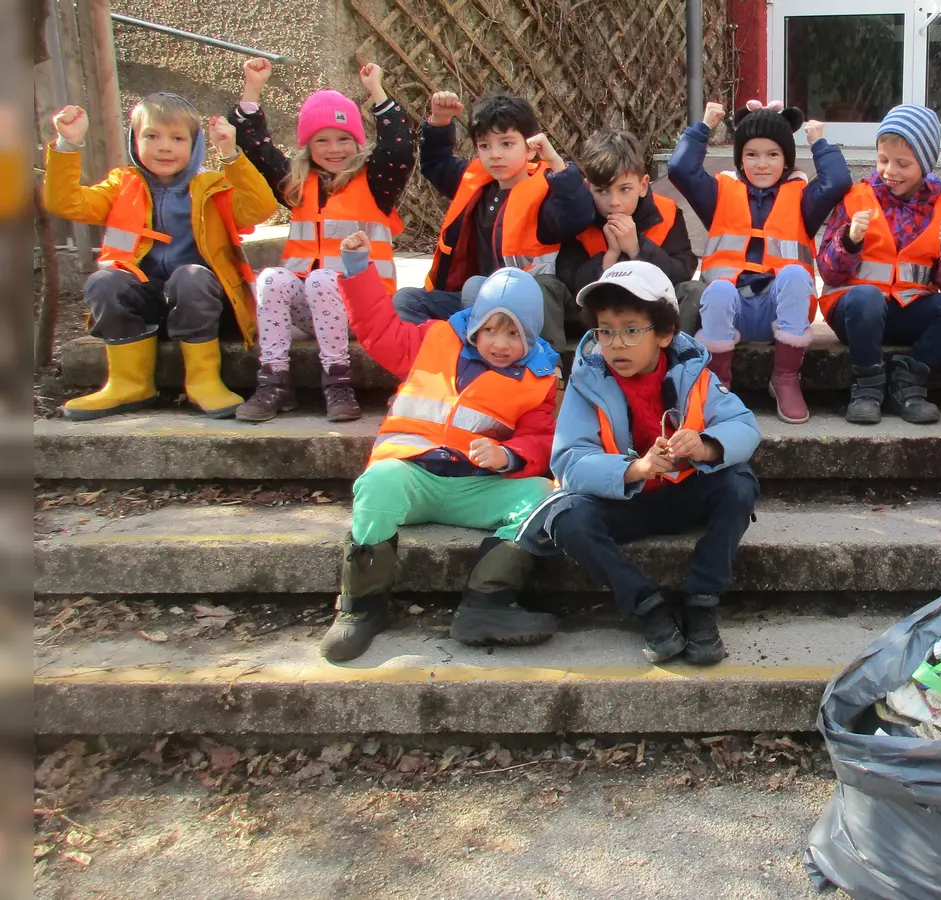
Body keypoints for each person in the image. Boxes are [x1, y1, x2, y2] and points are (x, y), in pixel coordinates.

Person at [320, 230, 564, 662]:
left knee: (544, 496)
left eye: (515, 334)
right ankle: (361, 608)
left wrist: (509, 455)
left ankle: (485, 605)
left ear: (531, 336)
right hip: (412, 477)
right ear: (475, 324)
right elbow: (377, 329)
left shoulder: (540, 377)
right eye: (492, 330)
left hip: (475, 487)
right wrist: (359, 271)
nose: (502, 344)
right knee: (377, 483)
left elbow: (542, 438)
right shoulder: (431, 339)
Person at [515, 261, 761, 666]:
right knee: (566, 517)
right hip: (623, 502)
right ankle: (649, 608)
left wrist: (705, 446)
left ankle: (701, 602)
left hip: (685, 495)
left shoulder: (692, 370)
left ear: (664, 334)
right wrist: (635, 470)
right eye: (605, 330)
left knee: (738, 483)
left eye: (631, 330)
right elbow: (568, 461)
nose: (616, 344)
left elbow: (745, 426)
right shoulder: (586, 379)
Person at [45, 95, 276, 420]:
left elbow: (262, 206)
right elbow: (67, 203)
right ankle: (129, 383)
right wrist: (68, 144)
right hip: (147, 303)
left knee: (190, 276)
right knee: (105, 281)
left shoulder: (211, 185)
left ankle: (203, 380)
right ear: (134, 140)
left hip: (204, 305)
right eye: (151, 136)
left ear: (194, 145)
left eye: (177, 138)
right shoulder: (122, 184)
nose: (164, 147)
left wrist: (230, 154)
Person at [228, 58, 414, 422]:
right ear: (307, 146)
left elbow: (399, 149)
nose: (334, 149)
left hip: (366, 309)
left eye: (344, 139)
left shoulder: (375, 182)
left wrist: (376, 91)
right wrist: (252, 89)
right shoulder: (298, 184)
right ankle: (274, 380)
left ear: (357, 143)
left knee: (322, 278)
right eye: (322, 140)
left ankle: (338, 382)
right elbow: (258, 151)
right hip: (314, 309)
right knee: (272, 278)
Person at [668, 100, 852, 423]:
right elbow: (680, 169)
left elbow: (837, 181)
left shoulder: (802, 198)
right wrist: (704, 127)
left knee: (796, 274)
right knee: (717, 291)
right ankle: (718, 383)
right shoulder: (720, 193)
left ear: (786, 160)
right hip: (731, 311)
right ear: (740, 158)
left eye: (773, 155)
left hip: (778, 314)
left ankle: (784, 378)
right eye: (751, 154)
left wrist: (819, 143)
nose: (762, 164)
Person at [816, 104, 941, 426]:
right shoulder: (855, 199)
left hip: (910, 309)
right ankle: (867, 385)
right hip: (857, 314)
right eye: (883, 160)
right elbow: (828, 272)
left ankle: (910, 378)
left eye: (903, 163)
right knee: (867, 297)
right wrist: (849, 242)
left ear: (926, 164)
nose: (890, 171)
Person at [392, 90, 593, 351]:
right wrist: (440, 121)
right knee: (407, 300)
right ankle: (442, 363)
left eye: (507, 144)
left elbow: (578, 215)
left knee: (485, 286)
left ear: (531, 149)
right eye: (485, 146)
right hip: (479, 301)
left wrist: (554, 160)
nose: (495, 154)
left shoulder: (546, 191)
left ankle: (522, 368)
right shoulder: (476, 183)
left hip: (536, 305)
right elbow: (436, 164)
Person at [556, 129, 703, 328]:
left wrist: (637, 248)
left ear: (643, 186)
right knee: (547, 285)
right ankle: (548, 357)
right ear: (588, 187)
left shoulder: (666, 211)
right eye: (602, 191)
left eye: (624, 189)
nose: (614, 202)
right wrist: (610, 257)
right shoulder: (578, 218)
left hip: (650, 312)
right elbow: (569, 280)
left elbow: (682, 272)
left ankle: (678, 353)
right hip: (595, 315)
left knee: (694, 290)